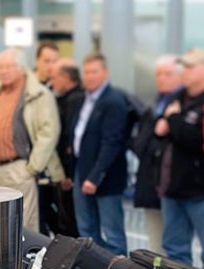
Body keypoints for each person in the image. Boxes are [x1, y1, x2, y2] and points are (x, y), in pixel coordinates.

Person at [0, 48, 63, 232]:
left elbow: (49, 132)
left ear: (21, 68)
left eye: (9, 67)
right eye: (1, 67)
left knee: (22, 227)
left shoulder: (38, 94)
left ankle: (23, 262)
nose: (3, 71)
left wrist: (32, 167)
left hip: (19, 169)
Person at [155, 48, 204, 266]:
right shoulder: (177, 97)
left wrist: (173, 119)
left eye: (190, 67)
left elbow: (197, 139)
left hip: (203, 190)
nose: (183, 71)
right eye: (182, 66)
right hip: (173, 187)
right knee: (174, 249)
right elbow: (157, 130)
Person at [71, 53, 129, 255]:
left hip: (105, 177)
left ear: (105, 72)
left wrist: (95, 177)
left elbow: (111, 143)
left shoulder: (114, 101)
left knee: (112, 234)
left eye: (94, 71)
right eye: (86, 72)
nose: (90, 76)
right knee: (87, 231)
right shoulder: (84, 99)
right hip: (82, 170)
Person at [131, 55, 182, 254]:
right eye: (158, 74)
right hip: (150, 181)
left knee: (173, 242)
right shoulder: (154, 106)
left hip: (171, 184)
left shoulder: (180, 106)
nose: (162, 78)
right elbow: (141, 143)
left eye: (168, 74)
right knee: (156, 239)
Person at [44, 59, 83, 237]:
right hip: (66, 170)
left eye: (54, 78)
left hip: (70, 172)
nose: (52, 83)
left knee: (70, 220)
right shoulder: (66, 99)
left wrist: (66, 173)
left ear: (66, 77)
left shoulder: (75, 100)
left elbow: (69, 138)